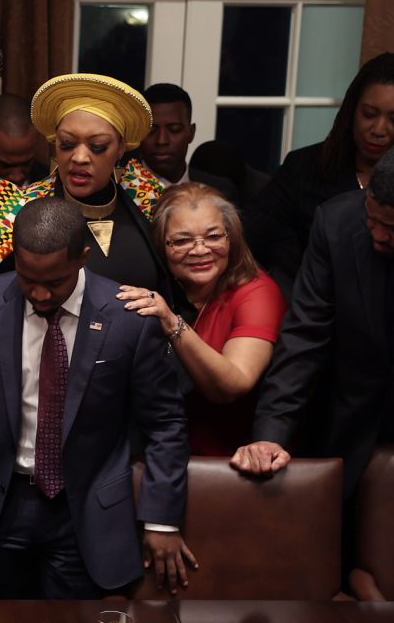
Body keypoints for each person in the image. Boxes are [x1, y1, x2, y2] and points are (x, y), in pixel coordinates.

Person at [0, 73, 177, 443]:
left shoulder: (151, 200)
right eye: (66, 144)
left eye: (97, 147)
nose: (79, 158)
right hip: (35, 404)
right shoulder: (9, 208)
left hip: (138, 403)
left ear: (122, 147)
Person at [0, 198, 195, 598]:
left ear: (82, 258)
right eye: (27, 279)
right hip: (1, 503)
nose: (40, 293)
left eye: (55, 281)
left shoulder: (129, 318)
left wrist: (161, 519)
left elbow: (165, 423)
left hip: (88, 510)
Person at [232, 139, 394, 566]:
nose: (377, 234)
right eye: (373, 219)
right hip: (348, 428)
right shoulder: (336, 222)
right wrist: (270, 433)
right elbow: (303, 337)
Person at [118, 183, 286, 455]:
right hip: (157, 455)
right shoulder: (160, 289)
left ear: (231, 238)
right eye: (182, 241)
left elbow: (234, 384)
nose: (200, 250)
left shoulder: (257, 293)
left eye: (213, 236)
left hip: (228, 463)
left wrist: (172, 324)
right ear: (160, 245)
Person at [244, 51, 394, 294]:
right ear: (351, 110)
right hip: (315, 305)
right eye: (369, 114)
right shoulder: (305, 167)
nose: (378, 129)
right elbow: (246, 239)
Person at [139, 83, 237, 200]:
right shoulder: (122, 188)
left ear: (191, 133)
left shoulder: (219, 190)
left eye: (174, 130)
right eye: (150, 131)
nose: (161, 140)